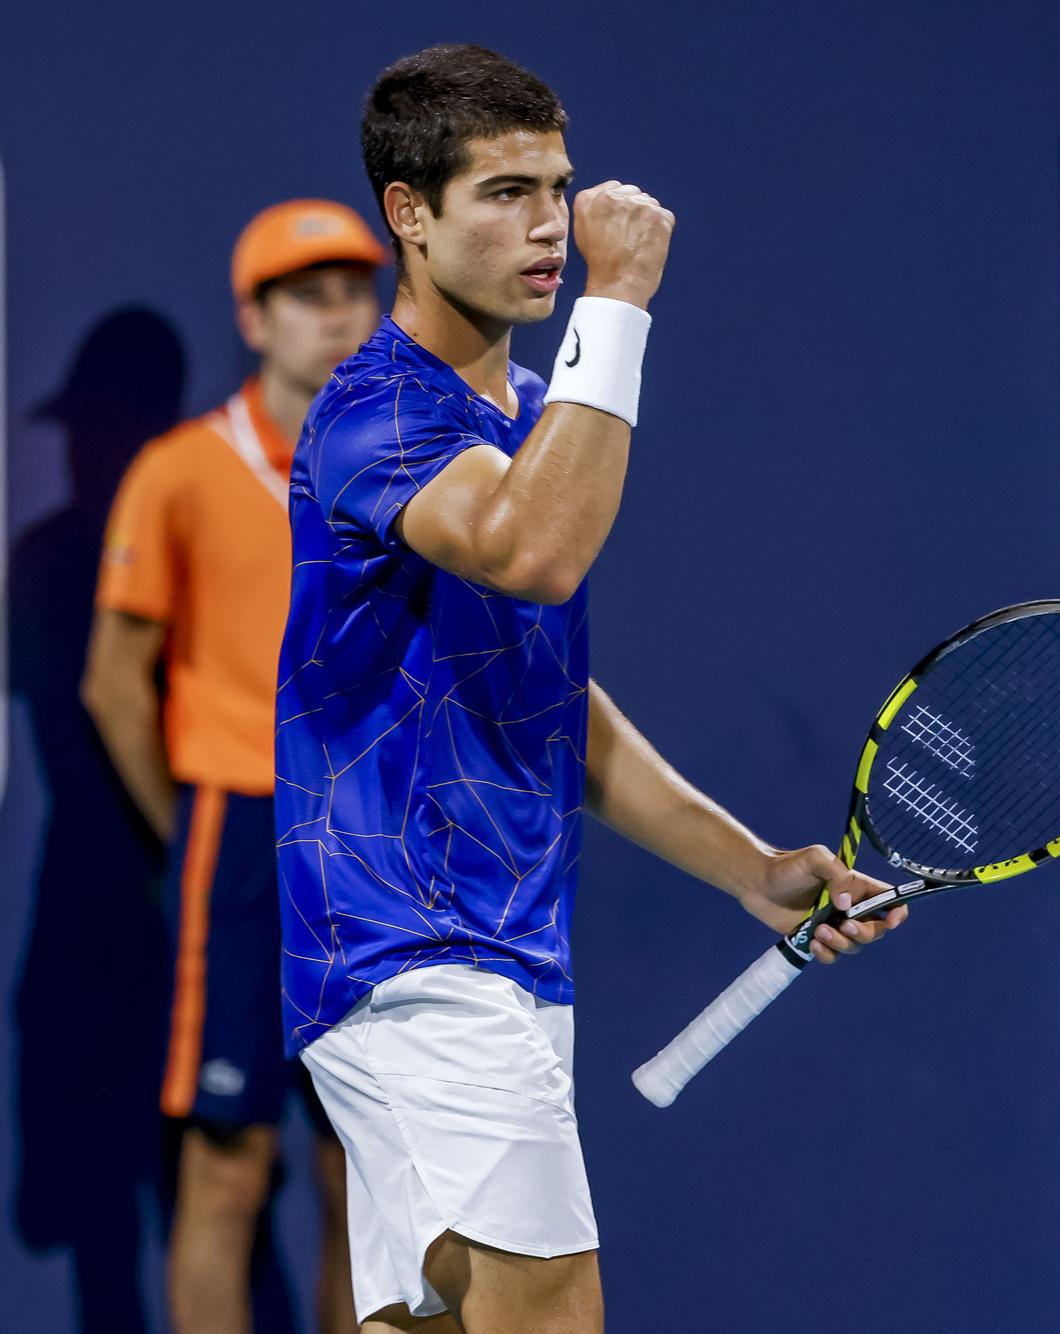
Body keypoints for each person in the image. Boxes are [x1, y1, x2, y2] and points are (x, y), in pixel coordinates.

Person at [274, 45, 906, 1334]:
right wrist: (615, 308)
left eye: (556, 187)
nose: (551, 223)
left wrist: (747, 865)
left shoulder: (512, 414)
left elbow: (549, 698)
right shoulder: (373, 416)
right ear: (409, 213)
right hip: (421, 956)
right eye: (503, 192)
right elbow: (532, 552)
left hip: (475, 959)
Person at [83, 199, 386, 1334]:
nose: (337, 316)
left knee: (366, 1172)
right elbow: (115, 682)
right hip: (243, 835)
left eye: (353, 290)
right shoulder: (179, 472)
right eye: (307, 296)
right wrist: (196, 833)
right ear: (253, 319)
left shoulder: (414, 473)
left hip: (378, 844)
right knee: (226, 1162)